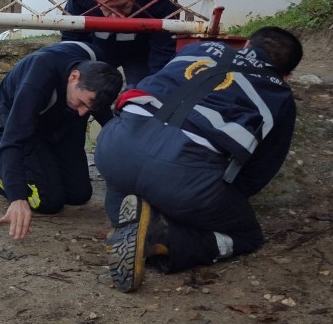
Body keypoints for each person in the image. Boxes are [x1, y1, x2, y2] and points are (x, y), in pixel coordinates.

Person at [95, 27, 302, 292]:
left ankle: (127, 216)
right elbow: (261, 168)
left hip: (114, 148)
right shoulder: (280, 93)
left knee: (130, 178)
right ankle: (162, 239)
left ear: (247, 44)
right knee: (248, 235)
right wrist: (224, 198)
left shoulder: (197, 49)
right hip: (182, 176)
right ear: (287, 75)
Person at [0, 41, 122, 240]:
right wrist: (17, 198)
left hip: (59, 117)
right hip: (17, 118)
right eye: (82, 103)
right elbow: (13, 141)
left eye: (89, 109)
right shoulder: (38, 79)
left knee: (79, 194)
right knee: (47, 201)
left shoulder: (98, 68)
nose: (83, 113)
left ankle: (44, 163)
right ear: (74, 76)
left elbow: (103, 113)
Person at [63, 0, 178, 87]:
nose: (116, 16)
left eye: (122, 6)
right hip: (98, 50)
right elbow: (73, 41)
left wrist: (156, 83)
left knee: (145, 91)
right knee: (90, 92)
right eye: (107, 7)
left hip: (141, 52)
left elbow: (165, 42)